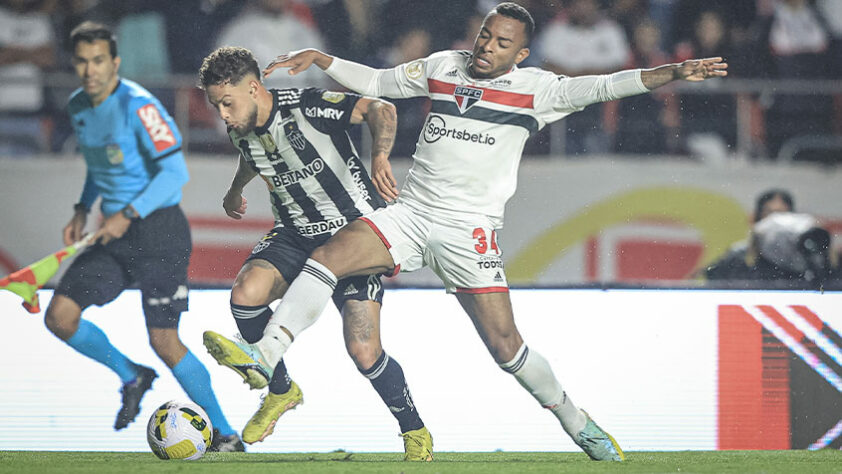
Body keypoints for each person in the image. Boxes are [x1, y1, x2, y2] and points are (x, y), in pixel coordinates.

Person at [227, 2, 725, 461]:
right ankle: (266, 354)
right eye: (486, 35)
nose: (487, 46)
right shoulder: (445, 66)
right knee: (328, 257)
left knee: (506, 348)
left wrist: (674, 72)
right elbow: (379, 82)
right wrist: (323, 58)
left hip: (469, 233)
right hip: (411, 212)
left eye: (501, 43)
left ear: (522, 53)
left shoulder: (540, 90)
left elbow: (606, 85)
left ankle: (578, 424)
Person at [197, 46, 433, 460]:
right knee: (244, 295)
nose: (223, 115)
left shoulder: (307, 105)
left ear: (254, 88)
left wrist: (379, 155)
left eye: (228, 103)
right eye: (217, 105)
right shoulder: (241, 129)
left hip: (353, 235)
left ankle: (414, 430)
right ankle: (280, 390)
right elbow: (253, 156)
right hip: (294, 234)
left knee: (364, 352)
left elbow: (382, 110)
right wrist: (235, 189)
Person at [43, 22, 243, 451]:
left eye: (99, 60)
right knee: (59, 317)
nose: (90, 69)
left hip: (159, 233)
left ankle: (227, 434)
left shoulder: (139, 105)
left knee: (164, 341)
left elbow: (175, 174)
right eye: (82, 61)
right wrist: (83, 207)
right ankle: (133, 375)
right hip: (113, 236)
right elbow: (101, 168)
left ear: (114, 62)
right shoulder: (79, 104)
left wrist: (128, 213)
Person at [706, 189, 794, 281]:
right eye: (769, 213)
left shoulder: (798, 260)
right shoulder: (738, 255)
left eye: (781, 214)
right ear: (754, 218)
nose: (774, 221)